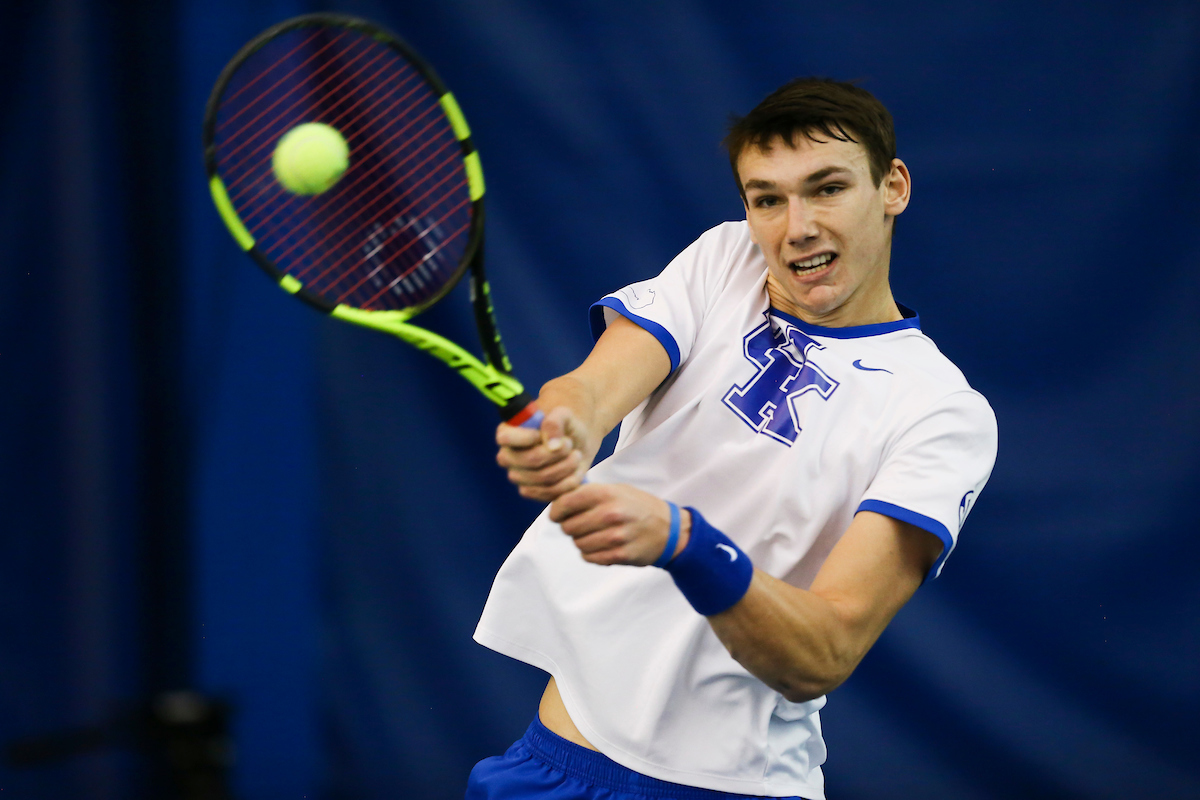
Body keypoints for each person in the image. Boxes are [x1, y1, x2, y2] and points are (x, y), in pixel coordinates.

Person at [467, 77, 998, 800]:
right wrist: (566, 425)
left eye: (826, 188)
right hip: (554, 766)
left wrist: (685, 543)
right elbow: (594, 388)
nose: (797, 227)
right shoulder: (725, 261)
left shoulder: (942, 412)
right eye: (767, 199)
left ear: (893, 186)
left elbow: (827, 649)